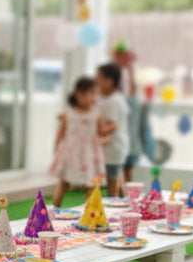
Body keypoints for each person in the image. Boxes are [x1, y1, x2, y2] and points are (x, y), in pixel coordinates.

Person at [49, 76, 115, 207]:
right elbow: (61, 133)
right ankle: (54, 209)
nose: (94, 98)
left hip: (89, 154)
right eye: (92, 93)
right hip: (71, 154)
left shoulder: (96, 114)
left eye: (96, 94)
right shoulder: (68, 114)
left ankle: (90, 213)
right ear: (79, 94)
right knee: (64, 182)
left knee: (90, 184)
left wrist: (110, 129)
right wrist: (56, 149)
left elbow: (100, 131)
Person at [96, 63, 130, 198]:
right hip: (110, 147)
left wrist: (98, 132)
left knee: (112, 182)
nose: (96, 81)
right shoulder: (104, 98)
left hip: (113, 148)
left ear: (109, 81)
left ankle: (113, 204)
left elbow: (112, 125)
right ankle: (116, 201)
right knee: (113, 180)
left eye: (99, 78)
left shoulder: (114, 100)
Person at [112, 41, 142, 184]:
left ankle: (128, 191)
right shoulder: (115, 101)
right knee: (116, 172)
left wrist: (129, 67)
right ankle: (121, 191)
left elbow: (133, 90)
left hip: (129, 140)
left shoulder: (131, 101)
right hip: (118, 141)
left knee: (126, 170)